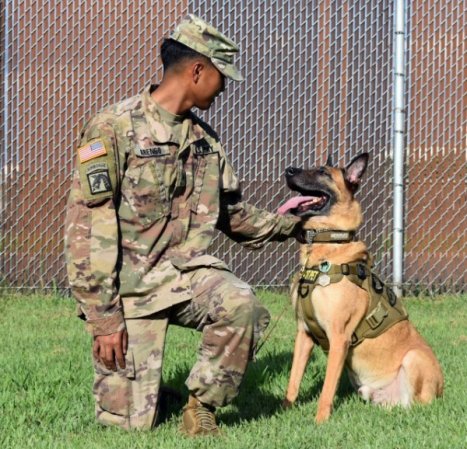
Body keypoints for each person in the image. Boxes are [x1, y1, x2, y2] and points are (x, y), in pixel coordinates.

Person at [64, 14, 302, 436]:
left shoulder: (205, 144)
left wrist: (293, 224)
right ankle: (155, 396)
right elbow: (88, 232)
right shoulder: (113, 128)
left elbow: (232, 216)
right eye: (221, 76)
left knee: (241, 302)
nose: (225, 87)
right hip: (130, 292)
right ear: (197, 70)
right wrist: (104, 320)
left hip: (184, 278)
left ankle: (201, 405)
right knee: (129, 426)